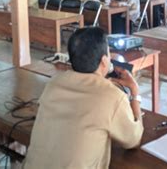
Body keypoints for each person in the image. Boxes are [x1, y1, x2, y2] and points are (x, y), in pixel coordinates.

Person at [23, 27, 143, 169]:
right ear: (105, 61)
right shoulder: (112, 96)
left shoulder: (54, 83)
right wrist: (134, 93)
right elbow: (133, 140)